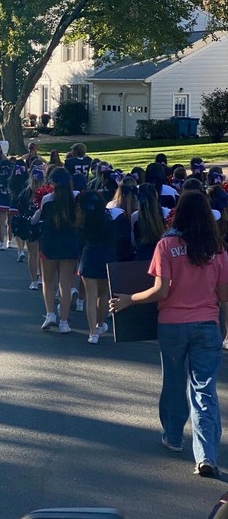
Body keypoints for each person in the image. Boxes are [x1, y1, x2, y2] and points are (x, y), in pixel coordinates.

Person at [110, 191, 228, 478]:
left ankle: (174, 436)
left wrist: (130, 299)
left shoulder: (167, 245)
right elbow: (224, 295)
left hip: (172, 323)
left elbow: (160, 290)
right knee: (204, 390)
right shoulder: (218, 249)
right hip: (207, 324)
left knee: (174, 382)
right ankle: (206, 455)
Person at [31, 167, 80, 333]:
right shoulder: (76, 199)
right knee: (65, 285)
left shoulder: (46, 199)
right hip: (69, 245)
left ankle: (50, 313)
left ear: (52, 183)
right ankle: (64, 322)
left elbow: (39, 218)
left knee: (48, 281)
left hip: (50, 243)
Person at [77, 190, 117, 344]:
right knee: (103, 294)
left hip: (89, 256)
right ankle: (100, 324)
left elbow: (80, 240)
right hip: (107, 257)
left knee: (91, 296)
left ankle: (92, 332)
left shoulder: (83, 219)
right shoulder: (109, 217)